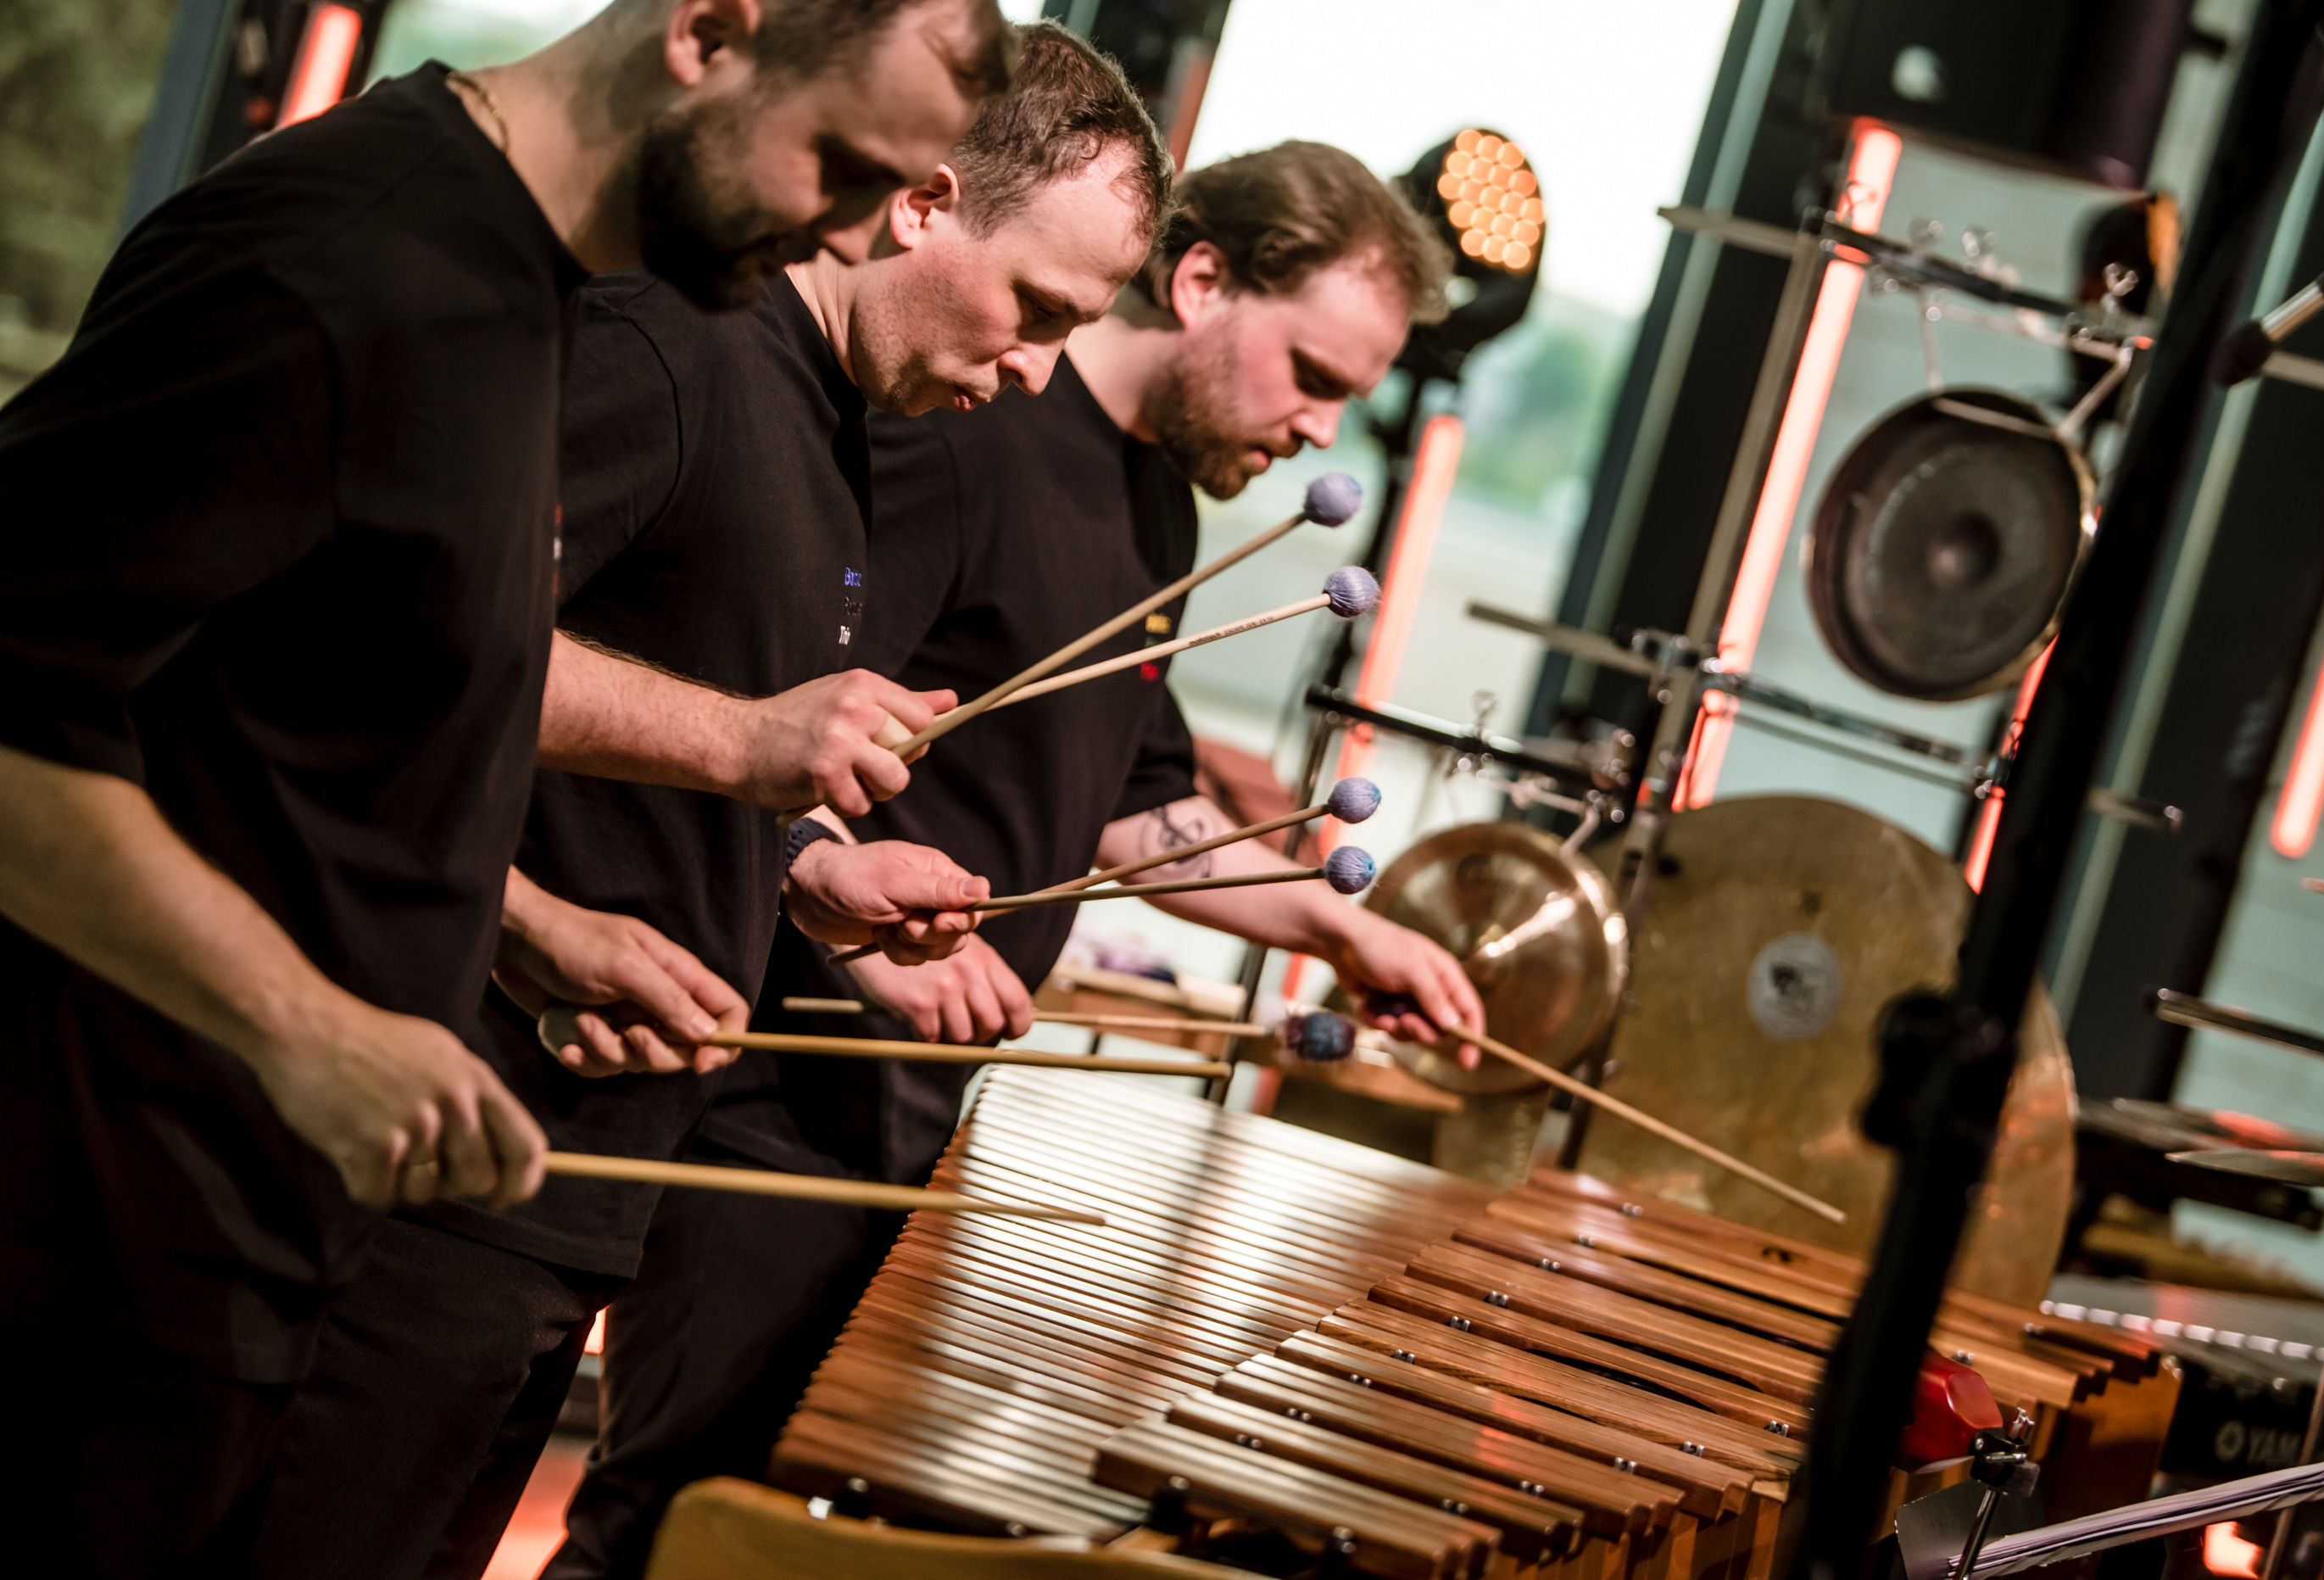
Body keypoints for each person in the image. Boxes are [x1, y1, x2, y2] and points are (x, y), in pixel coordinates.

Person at [0, 0, 1006, 1569]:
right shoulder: (345, 249)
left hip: (270, 1221)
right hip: (97, 1218)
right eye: (844, 165)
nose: (857, 234)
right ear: (710, 31)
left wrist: (520, 922)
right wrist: (310, 1026)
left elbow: (308, 692)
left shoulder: (530, 287)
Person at [248, 23, 1168, 1580]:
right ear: (925, 204)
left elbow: (656, 727)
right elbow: (395, 642)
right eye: (1037, 309)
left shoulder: (830, 417)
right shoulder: (673, 347)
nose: (1037, 370)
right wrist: (691, 789)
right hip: (422, 1155)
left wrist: (808, 869)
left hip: (565, 1184)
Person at [552, 138, 1483, 1580]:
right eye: (1313, 374)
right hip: (780, 1086)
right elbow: (783, 719)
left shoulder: (1159, 507)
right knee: (667, 1523)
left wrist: (1340, 929)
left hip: (920, 1113)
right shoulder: (962, 435)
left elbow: (1133, 811)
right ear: (1201, 281)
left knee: (774, 1538)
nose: (1321, 428)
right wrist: (847, 920)